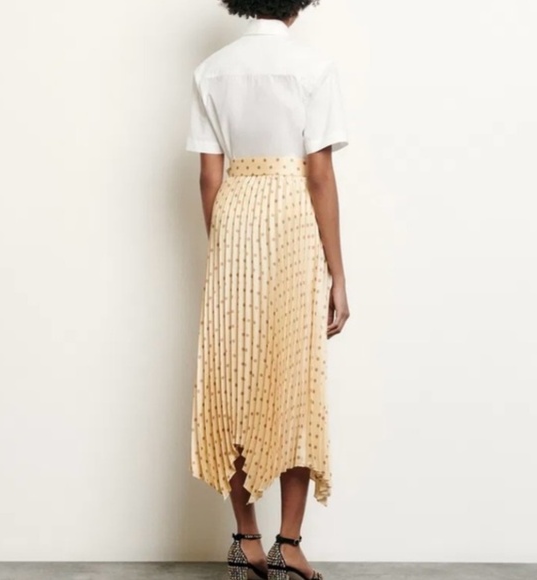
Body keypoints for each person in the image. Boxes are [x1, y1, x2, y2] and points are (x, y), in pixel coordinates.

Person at [185, 1, 350, 578]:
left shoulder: (211, 70)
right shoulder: (314, 67)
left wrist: (228, 248)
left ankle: (245, 540)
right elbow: (320, 174)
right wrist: (338, 274)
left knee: (236, 380)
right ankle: (288, 544)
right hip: (291, 219)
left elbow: (209, 176)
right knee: (294, 378)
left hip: (234, 219)